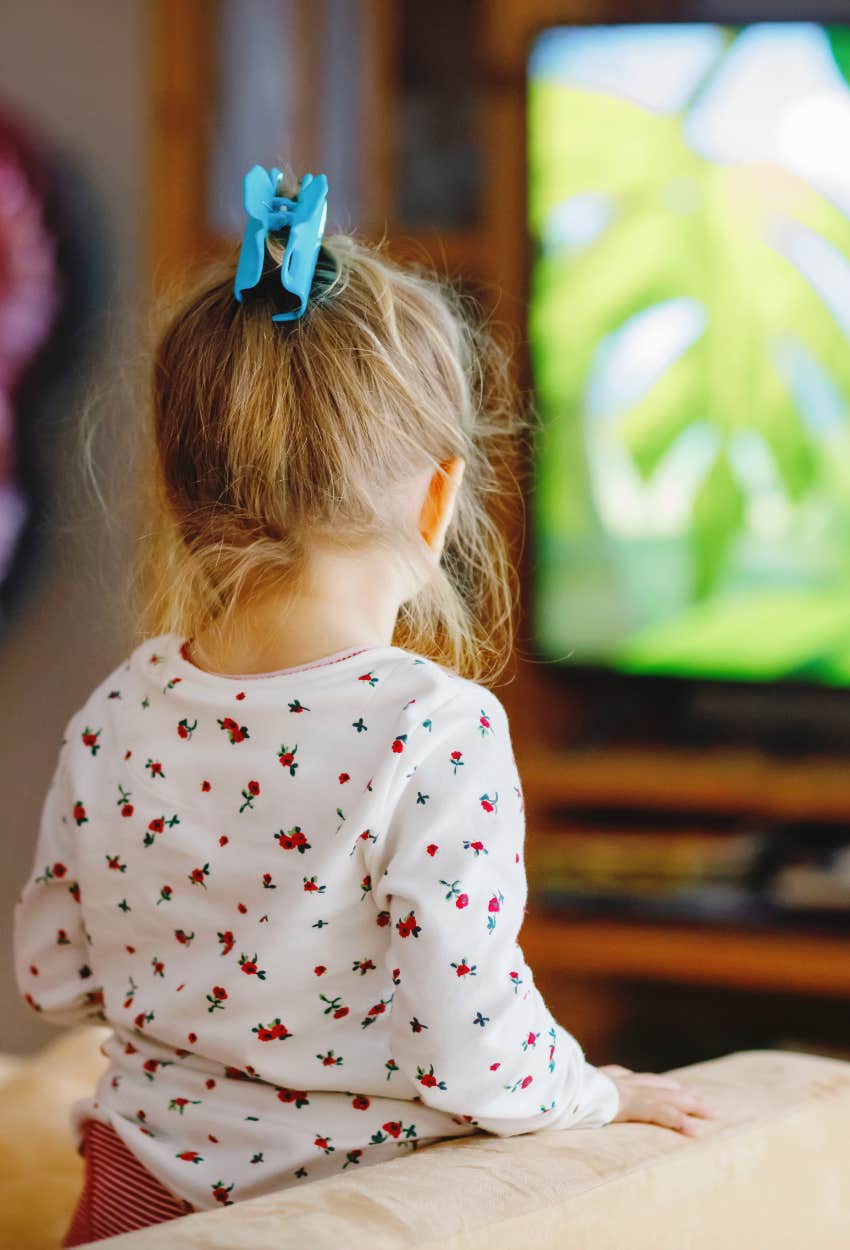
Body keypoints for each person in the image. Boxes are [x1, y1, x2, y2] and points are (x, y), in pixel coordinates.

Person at [13, 168, 715, 1245]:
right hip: (340, 1215)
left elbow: (51, 974)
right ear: (440, 498)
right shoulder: (435, 729)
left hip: (132, 1199)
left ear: (186, 490)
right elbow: (473, 1045)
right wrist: (596, 1088)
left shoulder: (120, 705)